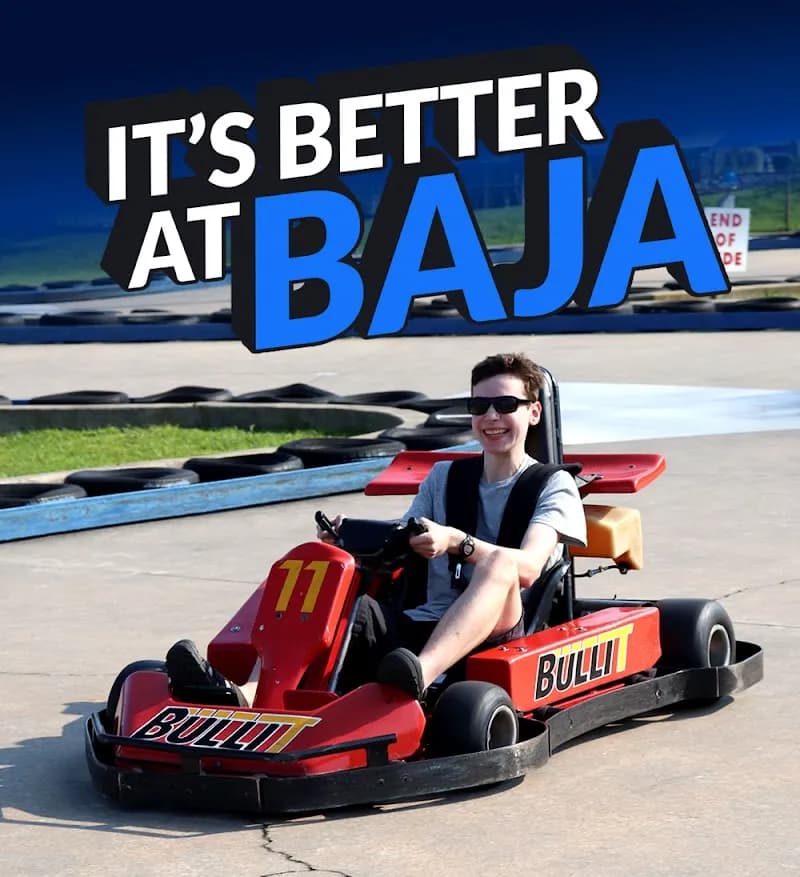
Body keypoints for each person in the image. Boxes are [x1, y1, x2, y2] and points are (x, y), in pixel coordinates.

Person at [165, 352, 587, 703]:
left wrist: (456, 541)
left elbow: (530, 566)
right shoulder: (444, 477)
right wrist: (349, 539)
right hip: (419, 621)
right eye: (480, 407)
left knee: (499, 565)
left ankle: (420, 676)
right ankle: (250, 691)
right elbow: (404, 536)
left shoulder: (553, 483)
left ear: (533, 412)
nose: (491, 417)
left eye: (505, 405)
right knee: (321, 568)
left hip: (503, 627)